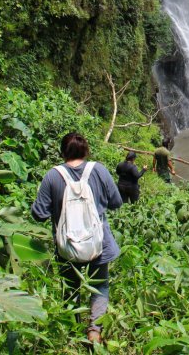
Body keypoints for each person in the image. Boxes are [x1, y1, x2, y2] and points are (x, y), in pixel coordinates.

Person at [31, 132, 122, 345]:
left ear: (62, 152)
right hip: (98, 243)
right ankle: (94, 331)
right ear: (86, 151)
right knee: (100, 286)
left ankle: (71, 332)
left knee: (70, 288)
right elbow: (116, 202)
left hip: (66, 246)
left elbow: (39, 214)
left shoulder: (52, 176)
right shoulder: (98, 170)